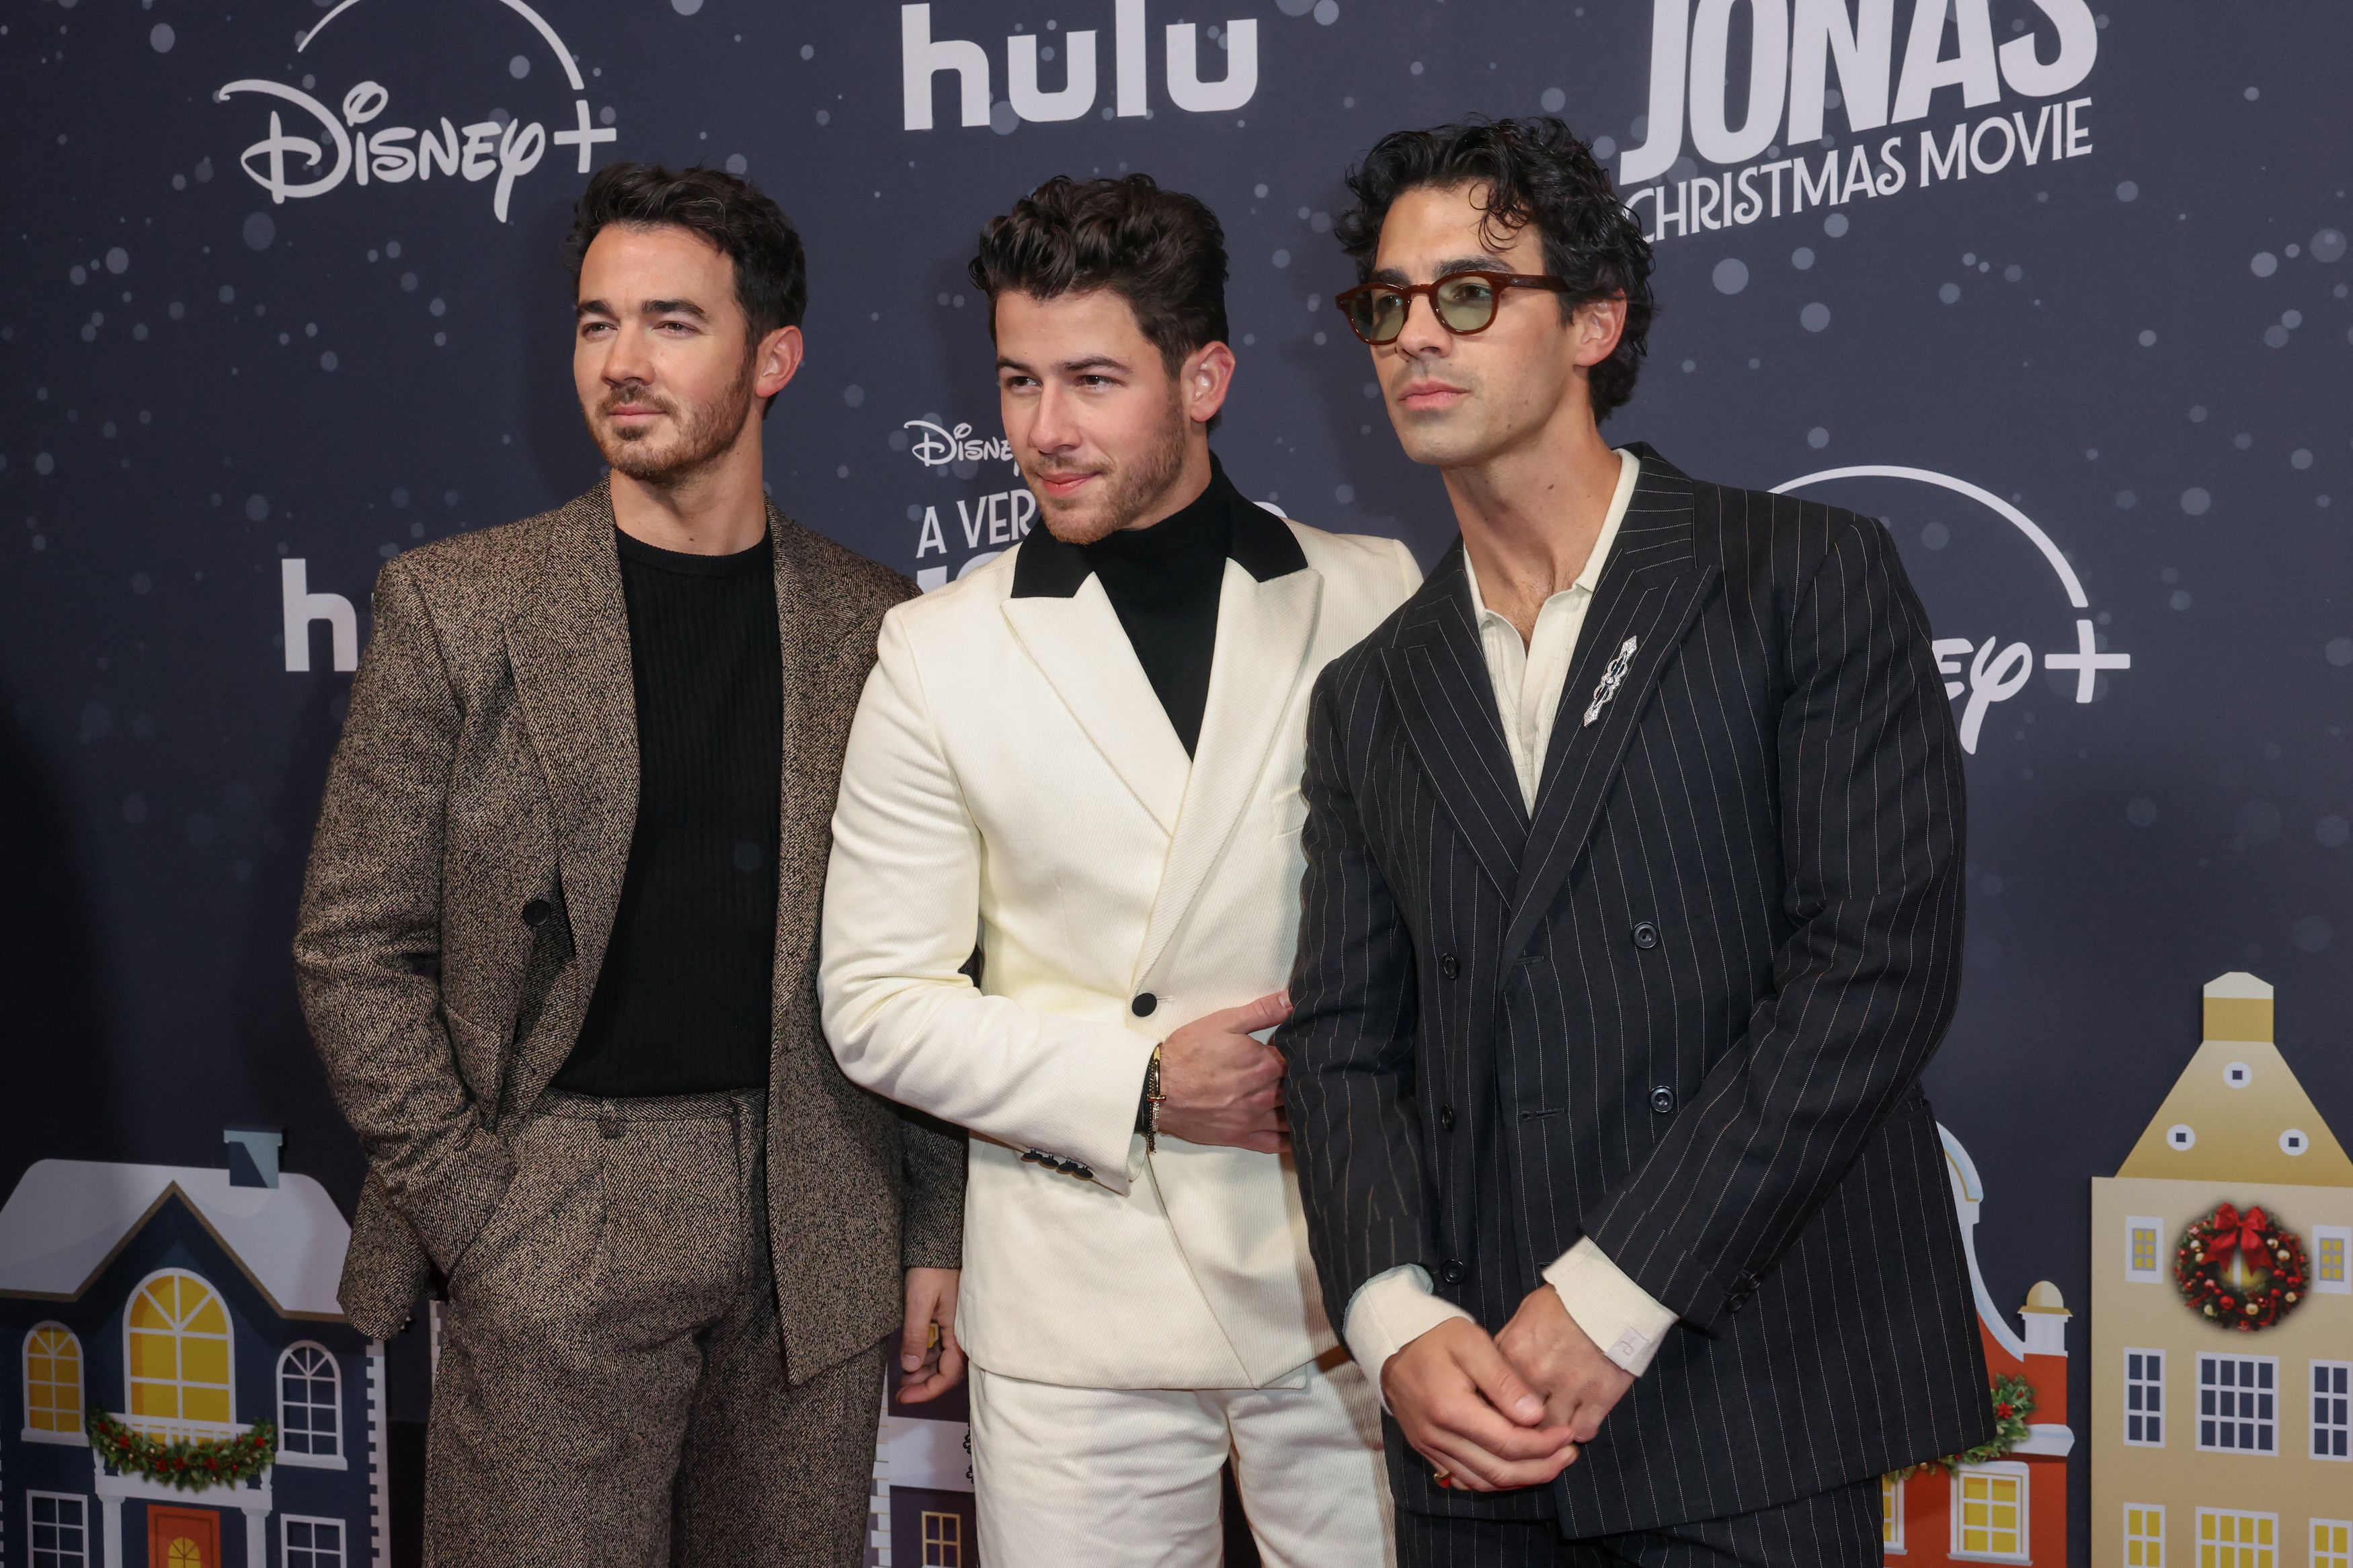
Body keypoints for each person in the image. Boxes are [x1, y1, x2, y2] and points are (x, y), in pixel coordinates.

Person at [1279, 117, 1992, 1565]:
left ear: (1594, 323)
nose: (1417, 336)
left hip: (1747, 1389)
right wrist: (1391, 1317)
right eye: (1387, 304)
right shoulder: (1370, 692)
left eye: (1469, 291)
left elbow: (1873, 969)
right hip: (1479, 1414)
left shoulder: (1800, 577)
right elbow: (1344, 1042)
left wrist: (1616, 1295)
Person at [292, 162, 965, 1567]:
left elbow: (929, 950)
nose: (622, 361)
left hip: (816, 1208)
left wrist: (930, 1226)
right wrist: (479, 1211)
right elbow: (353, 943)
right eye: (597, 323)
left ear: (773, 358)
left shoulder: (878, 622)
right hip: (557, 1201)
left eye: (672, 322)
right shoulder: (460, 604)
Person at [818, 173, 1417, 1567]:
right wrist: (1140, 1083)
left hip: (1351, 1273)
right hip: (1079, 1301)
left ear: (1203, 378)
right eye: (1017, 381)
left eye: (1092, 380)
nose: (1044, 430)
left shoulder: (1375, 592)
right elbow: (876, 1000)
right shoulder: (940, 650)